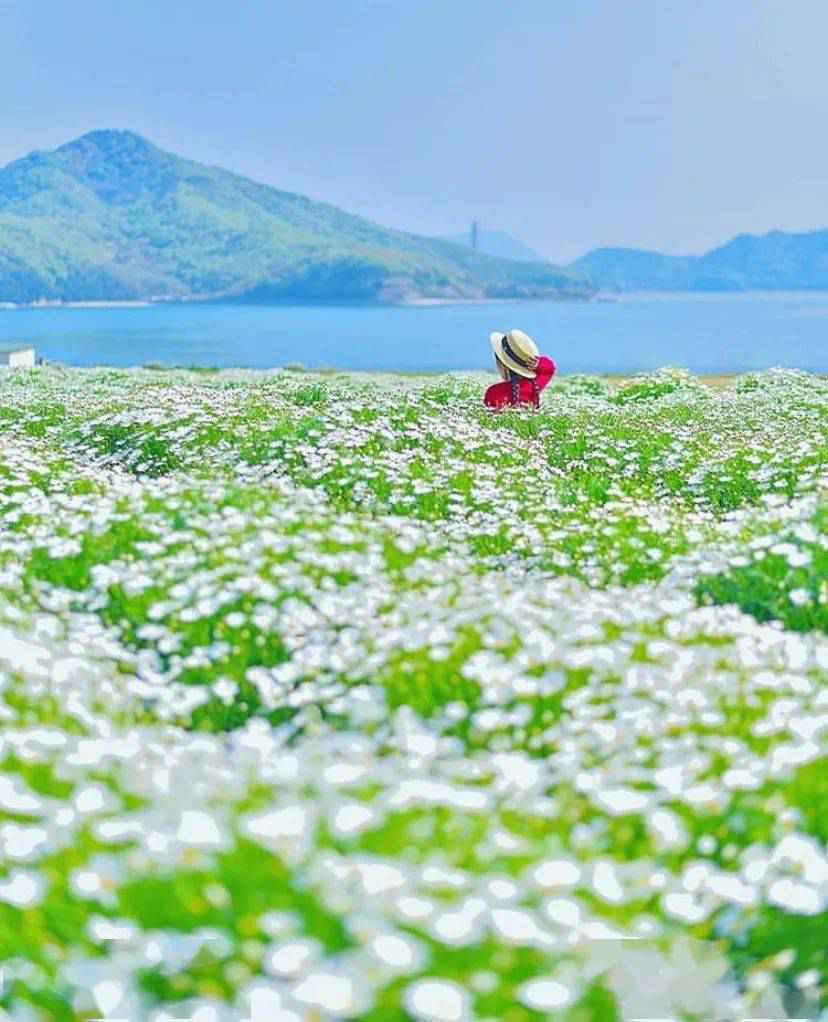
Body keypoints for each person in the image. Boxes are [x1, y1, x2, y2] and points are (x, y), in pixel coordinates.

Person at [484, 328, 556, 409]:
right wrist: (537, 364)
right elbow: (550, 368)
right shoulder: (534, 386)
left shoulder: (493, 392)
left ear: (502, 364)